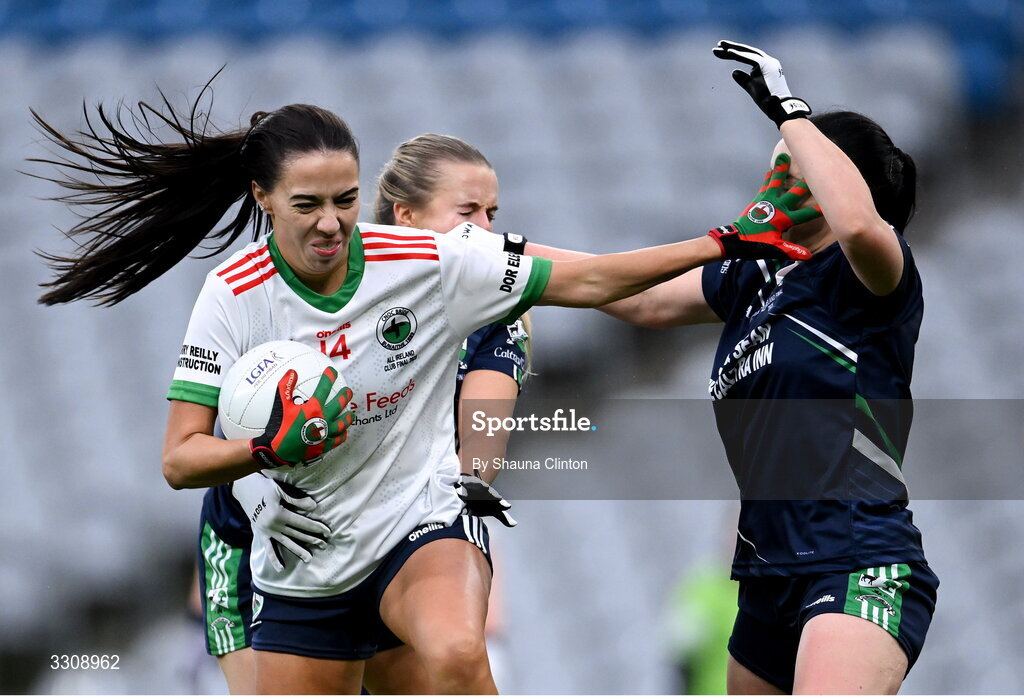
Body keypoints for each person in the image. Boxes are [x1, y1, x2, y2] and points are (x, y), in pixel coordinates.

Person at [32, 90, 815, 693]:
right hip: (293, 557)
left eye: (344, 198)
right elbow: (178, 459)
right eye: (308, 204)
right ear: (264, 199)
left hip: (416, 526)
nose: (333, 221)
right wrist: (267, 449)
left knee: (458, 652)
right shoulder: (231, 296)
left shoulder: (440, 265)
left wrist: (727, 237)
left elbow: (600, 280)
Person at [524, 41, 936, 694]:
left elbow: (858, 226)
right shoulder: (752, 279)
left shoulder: (870, 276)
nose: (771, 186)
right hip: (766, 575)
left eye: (790, 169)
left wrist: (788, 109)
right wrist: (491, 254)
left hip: (857, 557)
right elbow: (634, 294)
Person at [194, 132, 531, 694]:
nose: (486, 231)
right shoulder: (313, 281)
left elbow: (479, 455)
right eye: (468, 212)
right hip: (260, 536)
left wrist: (435, 516)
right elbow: (247, 410)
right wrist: (257, 497)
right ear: (406, 215)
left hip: (394, 536)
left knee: (451, 660)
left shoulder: (494, 302)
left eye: (493, 214)